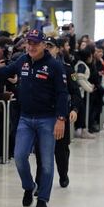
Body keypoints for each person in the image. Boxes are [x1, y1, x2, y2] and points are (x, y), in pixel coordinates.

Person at [0, 29, 68, 207]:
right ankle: (29, 187)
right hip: (25, 118)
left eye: (35, 43)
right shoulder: (22, 61)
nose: (31, 46)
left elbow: (63, 94)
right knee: (20, 157)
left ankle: (43, 198)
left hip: (47, 119)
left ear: (44, 45)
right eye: (28, 43)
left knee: (46, 162)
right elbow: (6, 71)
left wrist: (61, 119)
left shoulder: (54, 66)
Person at [35, 36, 82, 189]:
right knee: (41, 150)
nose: (48, 49)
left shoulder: (67, 68)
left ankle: (63, 174)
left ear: (57, 49)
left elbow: (75, 92)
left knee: (61, 150)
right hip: (42, 114)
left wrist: (74, 109)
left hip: (60, 114)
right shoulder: (36, 66)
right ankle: (40, 181)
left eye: (51, 46)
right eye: (46, 46)